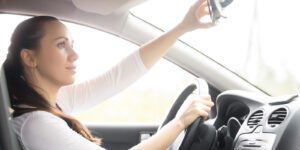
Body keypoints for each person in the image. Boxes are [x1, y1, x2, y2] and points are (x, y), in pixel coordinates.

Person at [3, 0, 214, 149]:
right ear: (30, 58)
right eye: (61, 45)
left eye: (72, 45)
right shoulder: (36, 124)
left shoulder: (54, 103)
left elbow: (118, 77)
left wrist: (184, 27)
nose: (75, 55)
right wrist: (180, 122)